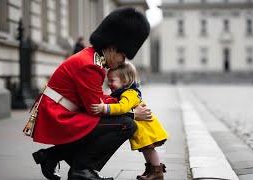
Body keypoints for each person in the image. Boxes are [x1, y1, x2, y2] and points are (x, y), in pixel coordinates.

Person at [29, 7, 151, 180]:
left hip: (63, 110)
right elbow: (94, 108)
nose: (123, 61)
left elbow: (97, 98)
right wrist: (132, 113)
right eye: (123, 56)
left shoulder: (93, 59)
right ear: (112, 48)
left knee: (111, 123)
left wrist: (127, 102)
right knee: (126, 125)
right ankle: (82, 169)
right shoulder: (91, 65)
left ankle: (52, 156)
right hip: (58, 115)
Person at [91, 62, 168, 180]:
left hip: (146, 129)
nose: (109, 83)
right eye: (108, 80)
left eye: (112, 80)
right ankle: (150, 170)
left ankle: (157, 172)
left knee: (149, 150)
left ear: (125, 81)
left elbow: (122, 108)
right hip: (143, 129)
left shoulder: (129, 94)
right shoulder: (123, 92)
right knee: (146, 150)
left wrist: (104, 108)